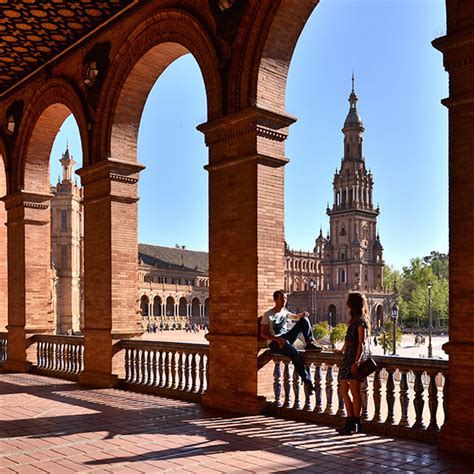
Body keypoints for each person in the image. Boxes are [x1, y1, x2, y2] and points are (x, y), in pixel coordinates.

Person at [261, 290, 322, 394]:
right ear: (275, 300)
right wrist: (276, 339)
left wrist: (302, 315)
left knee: (304, 320)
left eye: (285, 298)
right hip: (274, 342)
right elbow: (263, 333)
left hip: (285, 338)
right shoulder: (268, 315)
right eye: (281, 299)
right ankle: (307, 382)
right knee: (294, 353)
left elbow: (295, 317)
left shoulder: (284, 312)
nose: (284, 301)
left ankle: (309, 343)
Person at [334, 291, 371, 435]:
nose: (346, 303)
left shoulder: (361, 320)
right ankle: (350, 420)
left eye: (349, 301)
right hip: (347, 358)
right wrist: (341, 350)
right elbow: (349, 340)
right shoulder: (354, 319)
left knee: (355, 392)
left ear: (353, 304)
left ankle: (354, 423)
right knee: (343, 389)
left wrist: (356, 362)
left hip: (354, 359)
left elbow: (361, 344)